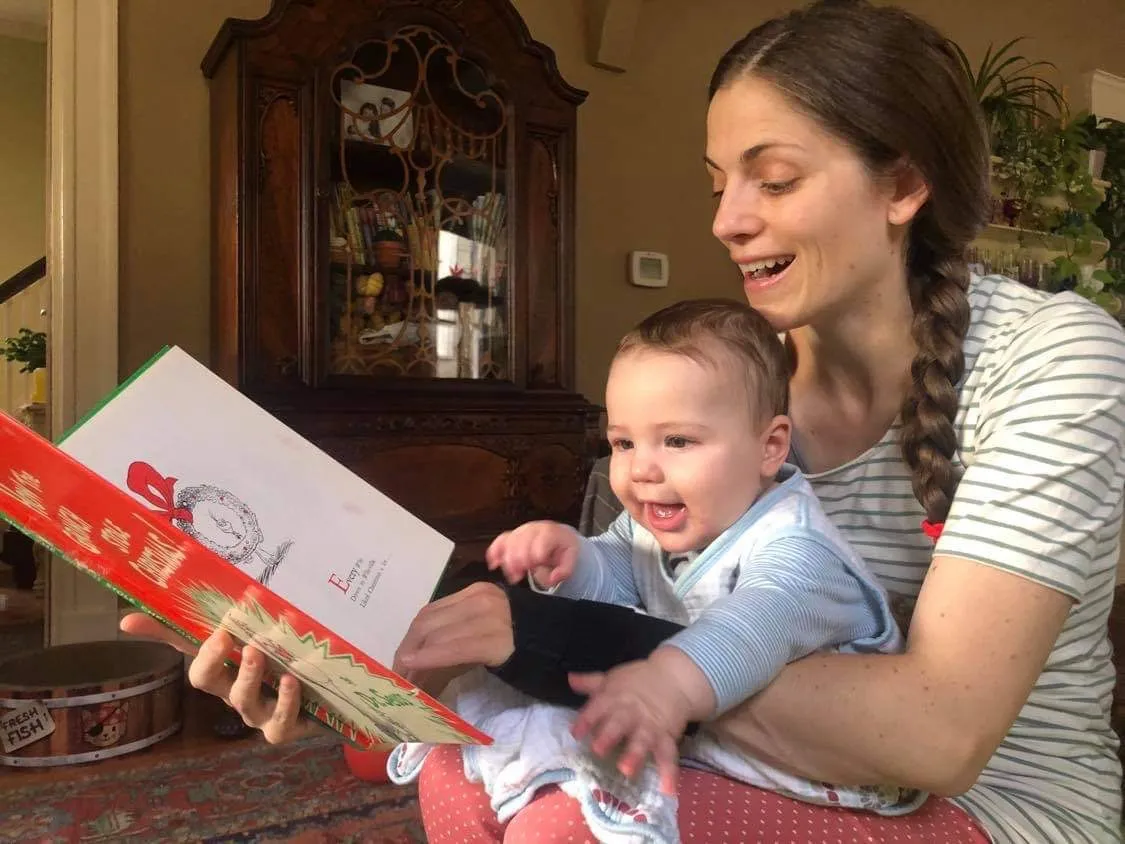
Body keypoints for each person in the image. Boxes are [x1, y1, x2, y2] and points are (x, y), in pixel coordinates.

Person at [122, 0, 1125, 841]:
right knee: (466, 776)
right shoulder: (726, 387)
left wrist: (536, 642)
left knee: (565, 815)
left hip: (996, 811)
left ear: (904, 185)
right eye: (718, 183)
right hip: (736, 747)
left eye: (773, 179)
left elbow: (935, 735)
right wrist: (367, 664)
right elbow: (626, 591)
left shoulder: (1052, 359)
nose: (727, 219)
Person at [386, 299, 921, 839]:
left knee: (561, 826)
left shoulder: (798, 550)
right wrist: (573, 558)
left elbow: (752, 627)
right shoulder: (662, 520)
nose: (641, 469)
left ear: (770, 446)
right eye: (623, 442)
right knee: (453, 763)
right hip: (696, 714)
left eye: (678, 441)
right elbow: (622, 573)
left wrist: (667, 683)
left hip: (815, 763)